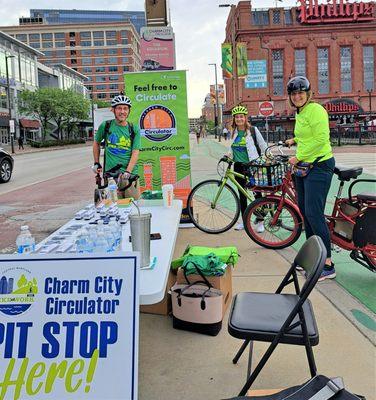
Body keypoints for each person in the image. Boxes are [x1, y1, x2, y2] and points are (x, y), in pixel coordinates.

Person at [285, 76, 335, 281]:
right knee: (306, 212)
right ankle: (313, 257)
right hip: (306, 167)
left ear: (308, 94)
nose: (297, 96)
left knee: (314, 213)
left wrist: (299, 156)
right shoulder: (302, 112)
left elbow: (321, 138)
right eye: (294, 94)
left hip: (320, 165)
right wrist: (294, 140)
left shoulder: (316, 110)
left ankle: (328, 264)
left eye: (300, 93)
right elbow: (308, 134)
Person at [92, 94, 141, 199]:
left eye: (125, 108)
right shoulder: (106, 126)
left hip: (130, 175)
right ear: (113, 110)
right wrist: (96, 162)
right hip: (111, 175)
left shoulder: (134, 129)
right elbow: (96, 143)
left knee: (134, 206)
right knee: (113, 208)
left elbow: (135, 152)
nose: (122, 111)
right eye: (119, 108)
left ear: (129, 111)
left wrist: (128, 171)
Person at [229, 105, 267, 231]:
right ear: (234, 119)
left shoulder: (253, 130)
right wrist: (228, 155)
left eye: (241, 117)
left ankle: (261, 222)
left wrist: (268, 158)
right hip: (238, 166)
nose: (239, 119)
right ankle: (245, 221)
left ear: (245, 118)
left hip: (252, 166)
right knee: (242, 194)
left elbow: (262, 145)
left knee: (256, 192)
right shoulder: (233, 132)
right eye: (236, 117)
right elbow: (232, 148)